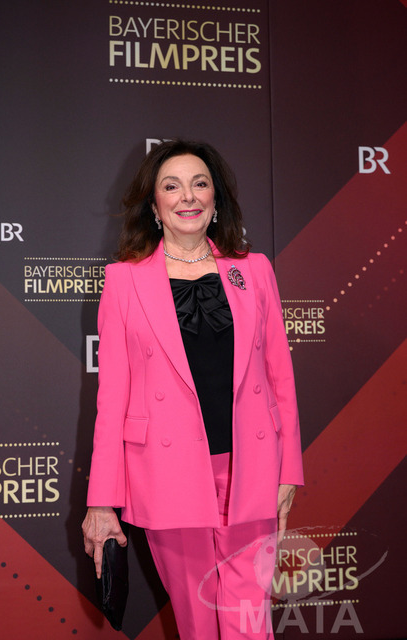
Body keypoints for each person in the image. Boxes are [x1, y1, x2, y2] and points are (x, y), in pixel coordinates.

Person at [82, 139, 303, 639]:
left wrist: (289, 467)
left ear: (215, 199)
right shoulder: (124, 281)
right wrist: (101, 501)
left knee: (249, 621)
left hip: (250, 467)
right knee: (197, 622)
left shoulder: (255, 270)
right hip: (166, 474)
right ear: (154, 205)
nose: (188, 196)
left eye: (200, 183)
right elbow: (111, 400)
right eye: (172, 186)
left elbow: (280, 378)